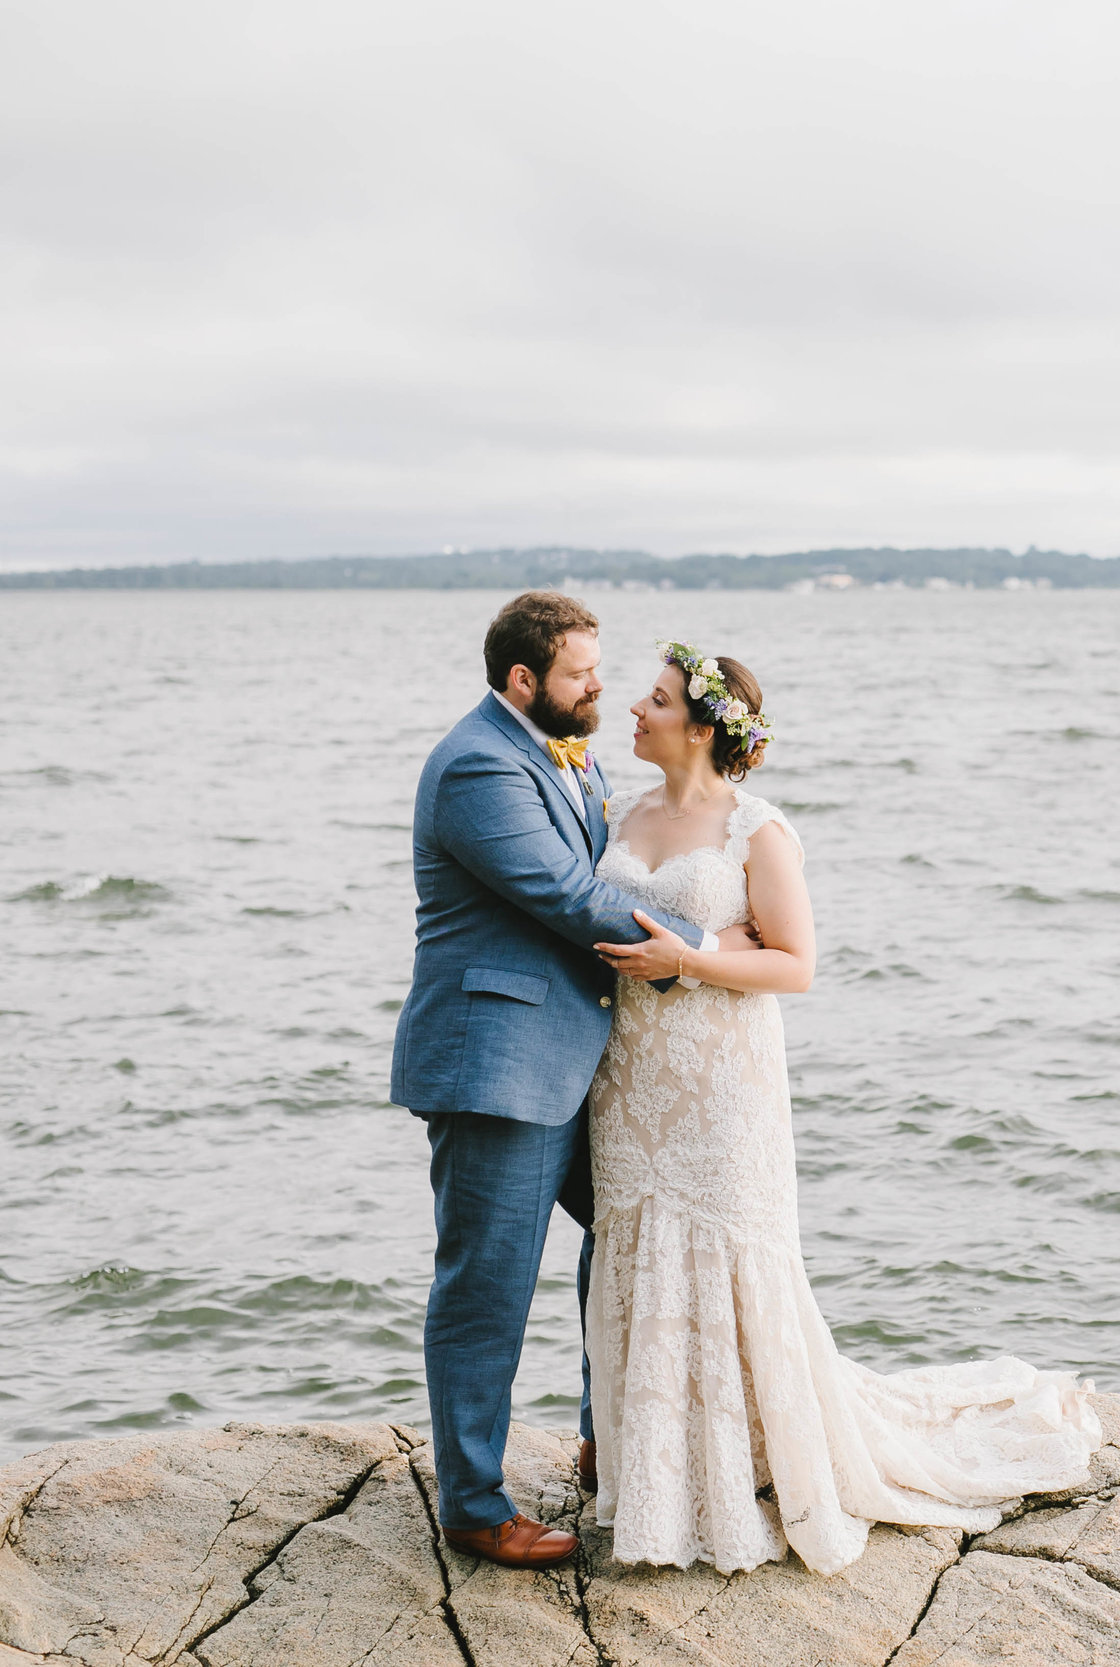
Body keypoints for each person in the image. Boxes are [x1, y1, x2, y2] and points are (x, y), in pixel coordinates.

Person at [581, 640, 1099, 1574]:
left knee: (729, 1248)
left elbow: (796, 964)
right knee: (638, 1243)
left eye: (654, 700)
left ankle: (756, 1465)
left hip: (722, 1080)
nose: (633, 710)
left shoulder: (757, 831)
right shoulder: (615, 814)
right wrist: (685, 941)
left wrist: (689, 959)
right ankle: (658, 1479)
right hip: (630, 1081)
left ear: (701, 726)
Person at [390, 592, 755, 1569]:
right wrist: (707, 947)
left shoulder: (572, 747)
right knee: (486, 1288)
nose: (601, 687)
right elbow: (567, 894)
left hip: (582, 1061)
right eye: (581, 674)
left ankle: (610, 1443)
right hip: (498, 1065)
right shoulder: (476, 764)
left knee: (629, 1234)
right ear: (522, 680)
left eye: (601, 670)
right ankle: (472, 1504)